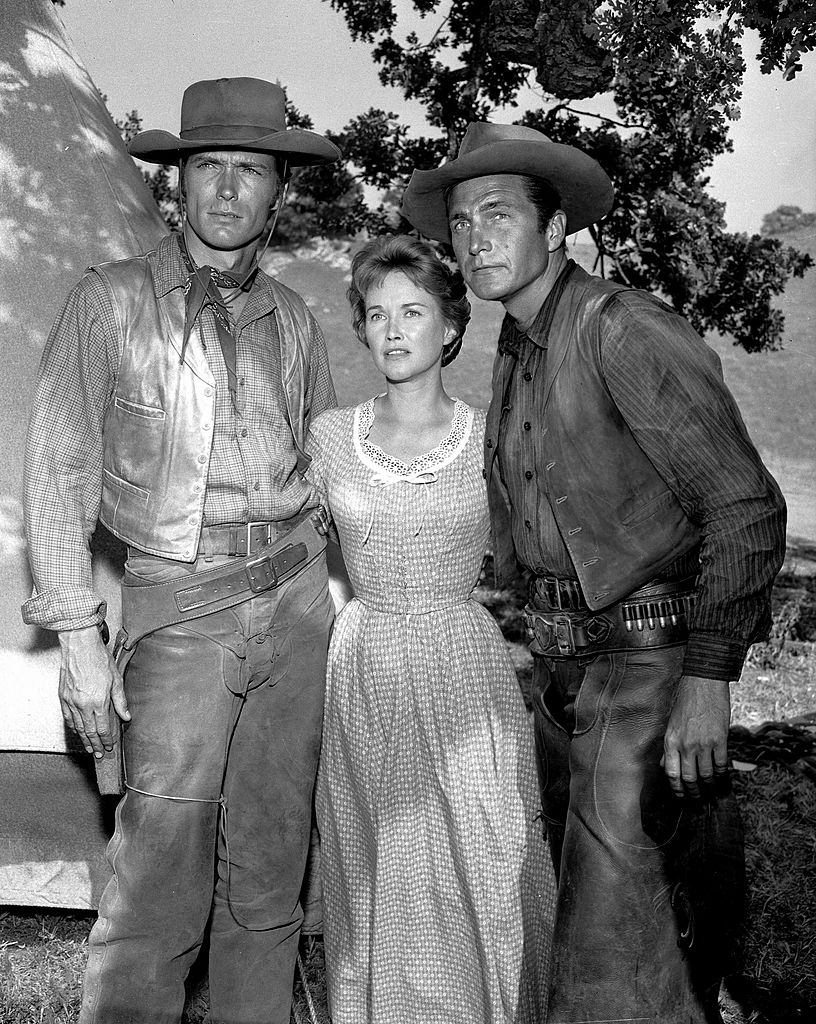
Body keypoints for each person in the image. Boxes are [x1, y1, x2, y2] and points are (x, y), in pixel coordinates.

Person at [401, 122, 787, 1023]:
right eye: (460, 222)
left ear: (556, 226)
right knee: (606, 915)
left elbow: (746, 507)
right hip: (563, 672)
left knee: (606, 940)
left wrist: (708, 679)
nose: (476, 237)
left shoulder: (623, 330)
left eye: (500, 214)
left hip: (646, 664)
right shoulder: (516, 346)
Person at [22, 77, 340, 1024]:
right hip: (179, 609)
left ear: (279, 190)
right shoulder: (108, 302)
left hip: (295, 605)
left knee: (271, 870)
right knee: (157, 880)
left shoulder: (293, 320)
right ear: (177, 182)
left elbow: (324, 466)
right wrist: (78, 637)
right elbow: (56, 473)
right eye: (210, 167)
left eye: (251, 170)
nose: (230, 189)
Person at [306, 234, 556, 1023]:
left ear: (450, 327)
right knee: (380, 859)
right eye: (376, 314)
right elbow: (290, 543)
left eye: (412, 311)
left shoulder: (491, 439)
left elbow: (539, 549)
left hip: (462, 660)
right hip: (366, 660)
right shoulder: (329, 440)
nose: (392, 330)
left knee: (479, 850)